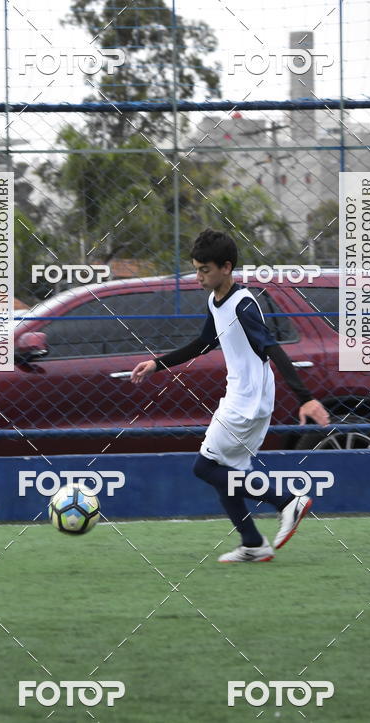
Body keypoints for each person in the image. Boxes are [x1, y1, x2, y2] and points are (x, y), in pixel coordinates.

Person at [131, 228, 330, 563]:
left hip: (248, 401)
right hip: (241, 397)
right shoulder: (215, 301)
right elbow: (204, 342)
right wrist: (157, 363)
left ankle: (287, 503)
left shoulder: (242, 305)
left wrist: (305, 398)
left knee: (204, 467)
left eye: (204, 269)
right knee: (225, 474)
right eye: (195, 268)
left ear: (226, 267)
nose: (198, 276)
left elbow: (272, 349)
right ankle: (253, 544)